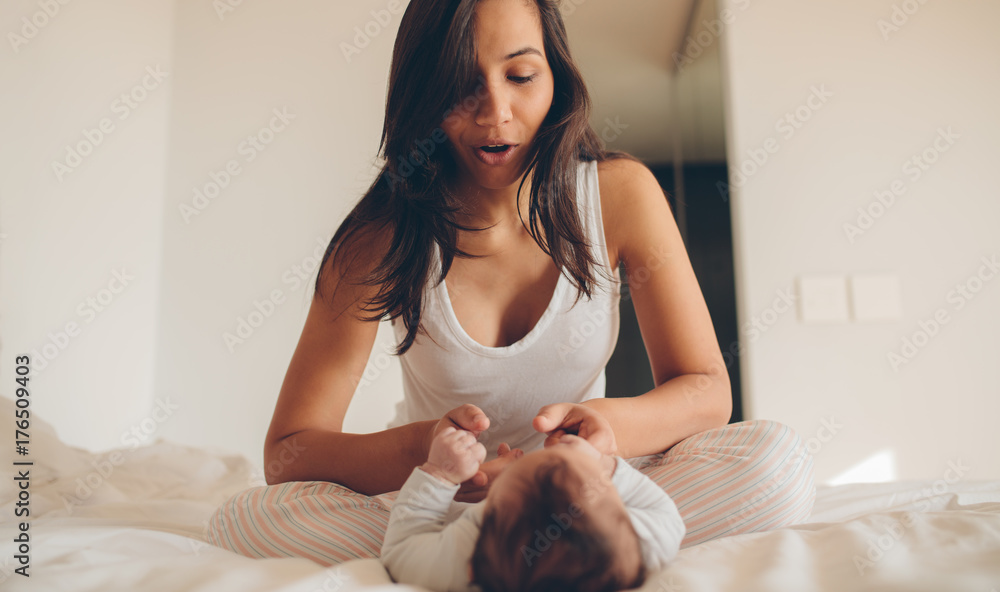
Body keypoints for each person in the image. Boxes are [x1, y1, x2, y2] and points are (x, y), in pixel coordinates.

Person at [206, 0, 815, 567]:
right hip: (448, 500)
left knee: (777, 466)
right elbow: (289, 450)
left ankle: (483, 558)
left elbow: (706, 390)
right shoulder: (380, 238)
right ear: (423, 93)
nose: (496, 112)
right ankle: (529, 551)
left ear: (556, 78)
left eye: (520, 77)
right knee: (248, 519)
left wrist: (603, 435)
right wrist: (424, 454)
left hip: (585, 491)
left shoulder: (620, 195)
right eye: (460, 85)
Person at [380, 425, 685, 592]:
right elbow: (666, 515)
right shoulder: (636, 546)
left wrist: (440, 474)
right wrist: (602, 464)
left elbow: (403, 546)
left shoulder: (469, 553)